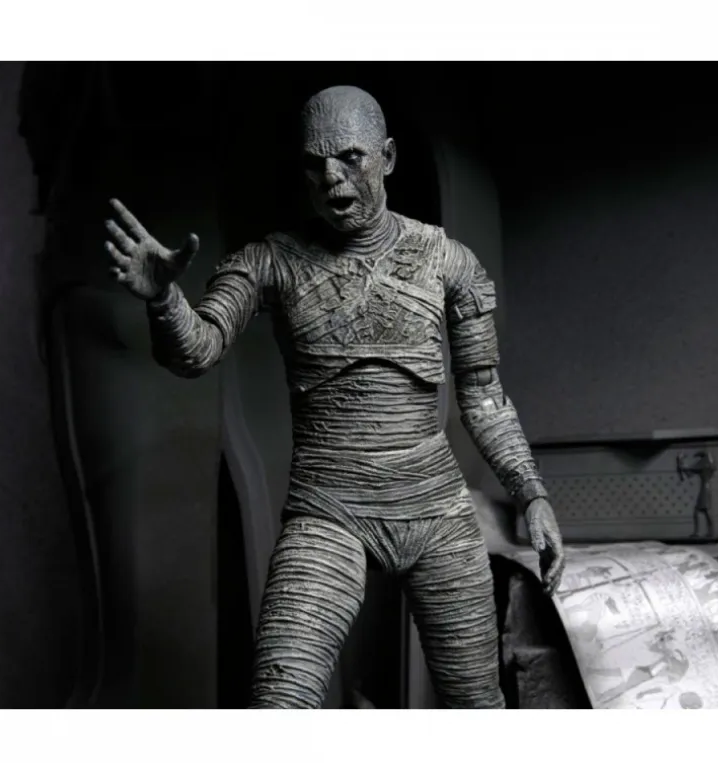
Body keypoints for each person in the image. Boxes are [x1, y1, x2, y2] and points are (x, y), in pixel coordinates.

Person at [104, 85, 564, 709]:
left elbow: (483, 396)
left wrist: (532, 494)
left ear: (388, 157)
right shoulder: (270, 262)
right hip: (328, 511)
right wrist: (163, 300)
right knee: (279, 703)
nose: (332, 179)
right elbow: (198, 350)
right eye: (314, 164)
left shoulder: (448, 262)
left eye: (351, 158)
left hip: (436, 512)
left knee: (477, 708)